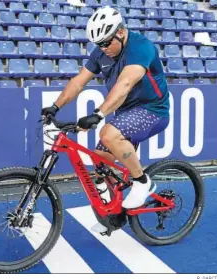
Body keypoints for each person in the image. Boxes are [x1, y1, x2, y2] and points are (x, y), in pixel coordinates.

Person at [41, 6, 170, 233]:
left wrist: (99, 114)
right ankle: (114, 215)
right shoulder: (101, 52)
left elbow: (125, 84)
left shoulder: (141, 47)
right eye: (98, 45)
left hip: (152, 110)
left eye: (106, 43)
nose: (102, 49)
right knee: (99, 159)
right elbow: (79, 82)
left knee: (108, 133)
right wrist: (55, 106)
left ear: (120, 32)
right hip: (125, 112)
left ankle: (142, 182)